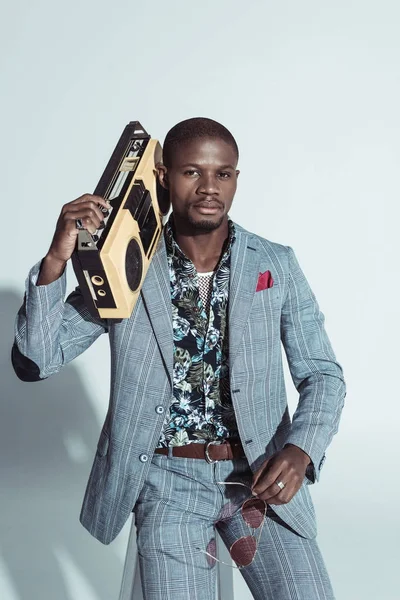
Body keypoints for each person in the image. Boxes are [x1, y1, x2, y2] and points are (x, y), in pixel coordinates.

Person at [12, 117, 346, 600]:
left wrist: (303, 449)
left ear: (235, 178)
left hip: (261, 480)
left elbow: (324, 376)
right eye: (193, 172)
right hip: (168, 485)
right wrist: (57, 260)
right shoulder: (126, 266)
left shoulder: (275, 264)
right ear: (165, 177)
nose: (210, 188)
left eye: (223, 174)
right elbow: (37, 360)